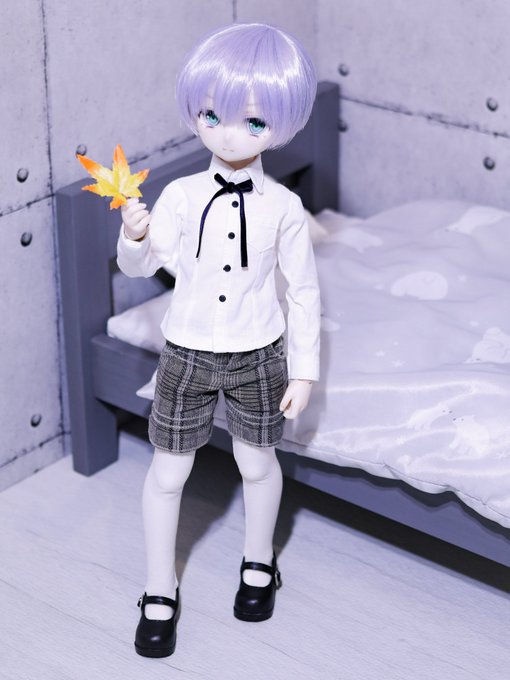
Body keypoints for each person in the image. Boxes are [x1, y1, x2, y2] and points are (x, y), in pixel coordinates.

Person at [117, 22, 320, 658]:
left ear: (280, 125)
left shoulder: (283, 207)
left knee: (257, 463)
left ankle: (259, 560)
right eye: (212, 115)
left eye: (252, 122)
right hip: (186, 353)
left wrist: (304, 370)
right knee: (168, 471)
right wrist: (134, 236)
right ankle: (159, 586)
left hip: (259, 353)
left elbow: (303, 291)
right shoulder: (180, 195)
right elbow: (141, 267)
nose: (228, 134)